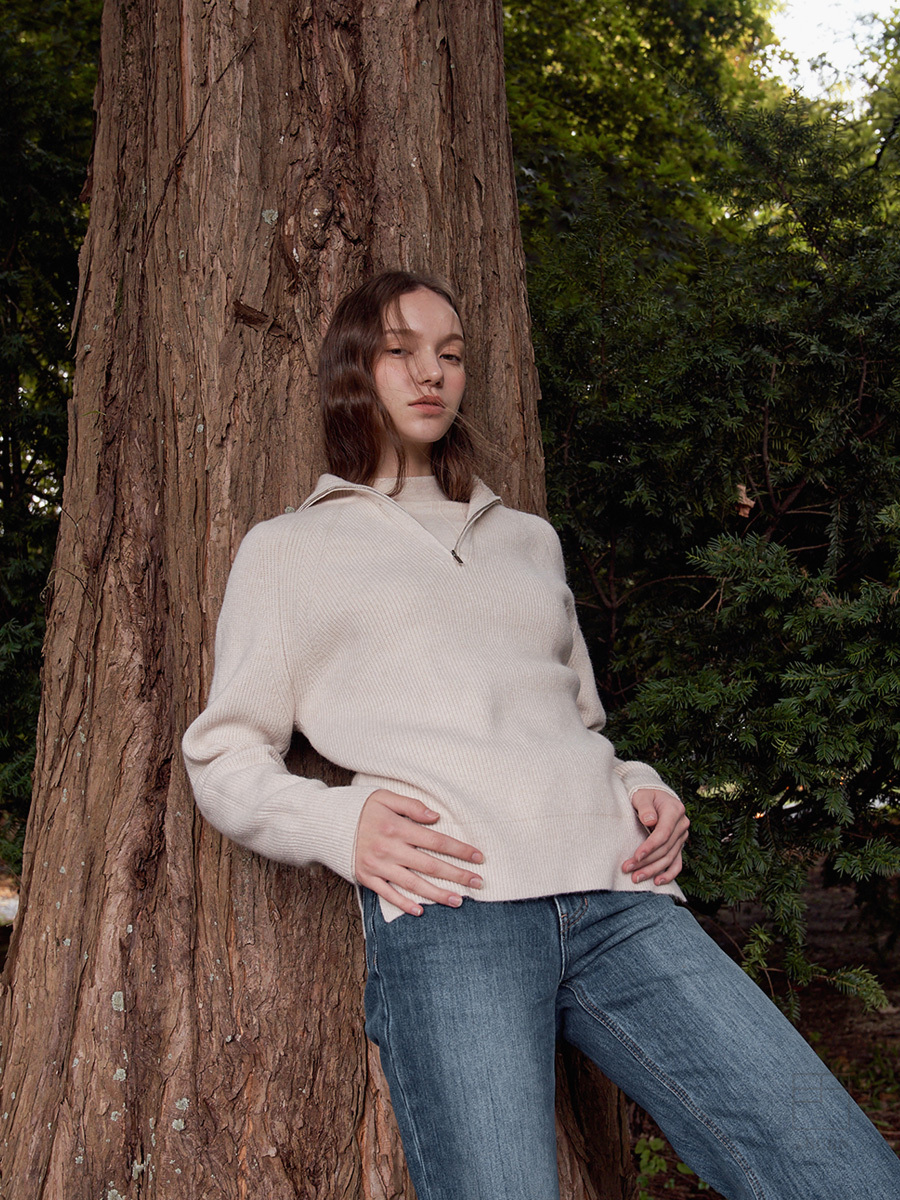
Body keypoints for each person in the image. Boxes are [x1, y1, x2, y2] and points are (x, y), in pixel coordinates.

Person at [182, 270, 900, 1200]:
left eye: (451, 354)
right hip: (454, 913)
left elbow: (575, 719)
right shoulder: (288, 550)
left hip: (622, 894)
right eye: (401, 351)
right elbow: (223, 753)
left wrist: (640, 784)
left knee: (841, 1170)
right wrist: (336, 824)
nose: (431, 373)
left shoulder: (528, 539)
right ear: (353, 369)